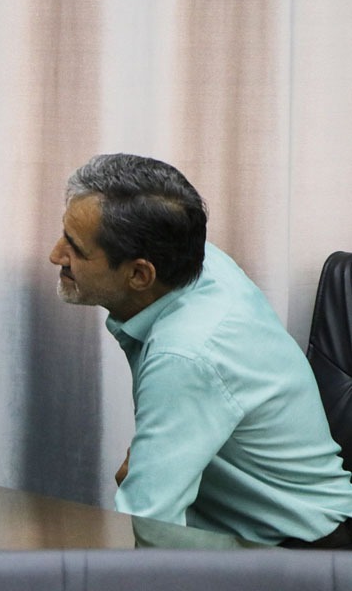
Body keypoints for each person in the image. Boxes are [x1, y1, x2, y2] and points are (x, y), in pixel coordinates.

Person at [48, 153, 352, 547]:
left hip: (294, 551)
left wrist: (147, 473)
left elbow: (151, 527)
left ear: (140, 274)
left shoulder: (186, 354)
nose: (56, 255)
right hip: (245, 528)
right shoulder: (191, 260)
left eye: (75, 248)